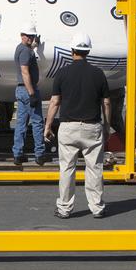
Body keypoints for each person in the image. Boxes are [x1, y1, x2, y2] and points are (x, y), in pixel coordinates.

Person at [44, 32, 111, 219]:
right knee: (95, 168)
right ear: (88, 51)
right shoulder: (98, 74)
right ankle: (97, 207)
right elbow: (106, 102)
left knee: (67, 169)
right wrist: (107, 126)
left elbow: (55, 102)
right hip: (92, 127)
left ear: (72, 50)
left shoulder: (62, 73)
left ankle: (65, 208)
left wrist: (48, 126)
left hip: (68, 127)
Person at [12, 24, 47, 165]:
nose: (31, 38)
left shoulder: (21, 49)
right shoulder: (26, 51)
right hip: (28, 90)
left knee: (21, 123)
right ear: (22, 35)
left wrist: (34, 46)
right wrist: (32, 93)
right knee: (37, 122)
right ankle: (39, 154)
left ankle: (18, 154)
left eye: (32, 36)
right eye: (29, 36)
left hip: (21, 90)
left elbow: (26, 55)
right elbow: (25, 71)